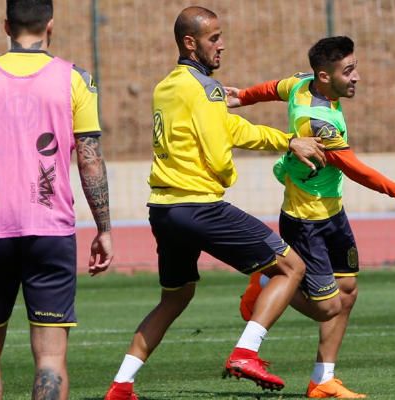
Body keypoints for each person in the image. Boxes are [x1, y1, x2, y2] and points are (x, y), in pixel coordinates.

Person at [103, 6, 327, 400]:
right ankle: (246, 352)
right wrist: (227, 176)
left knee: (176, 296)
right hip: (200, 206)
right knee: (291, 267)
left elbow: (229, 125)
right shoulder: (205, 89)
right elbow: (219, 150)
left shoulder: (168, 85)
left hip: (164, 209)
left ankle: (121, 383)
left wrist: (285, 139)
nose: (221, 45)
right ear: (190, 43)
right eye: (214, 38)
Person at [226, 36, 395, 398]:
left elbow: (275, 88)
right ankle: (268, 280)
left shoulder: (302, 83)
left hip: (333, 212)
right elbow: (357, 170)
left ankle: (323, 380)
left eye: (355, 67)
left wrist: (243, 96)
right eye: (349, 71)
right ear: (325, 76)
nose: (356, 77)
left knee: (349, 291)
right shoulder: (319, 124)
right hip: (305, 220)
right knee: (327, 308)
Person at [0, 0, 114, 398]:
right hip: (51, 231)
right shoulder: (75, 78)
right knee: (50, 358)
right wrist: (104, 229)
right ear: (51, 26)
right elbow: (90, 161)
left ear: (7, 25)